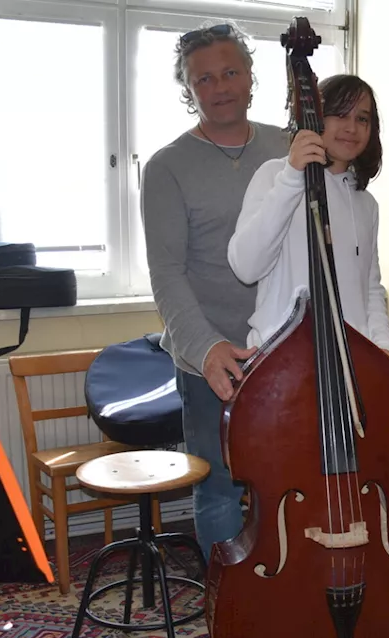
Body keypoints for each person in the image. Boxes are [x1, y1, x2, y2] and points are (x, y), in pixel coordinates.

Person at [143, 22, 289, 561]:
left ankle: (283, 590)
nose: (220, 86)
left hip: (285, 350)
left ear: (251, 77)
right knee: (220, 485)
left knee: (290, 478)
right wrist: (205, 350)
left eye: (230, 72)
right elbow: (167, 273)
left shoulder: (289, 146)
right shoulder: (166, 168)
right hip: (212, 357)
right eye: (204, 79)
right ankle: (227, 609)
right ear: (189, 90)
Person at [228, 74, 389, 372]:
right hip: (280, 365)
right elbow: (246, 266)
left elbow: (370, 289)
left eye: (362, 119)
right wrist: (293, 178)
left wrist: (384, 349)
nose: (351, 127)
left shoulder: (365, 203)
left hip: (350, 366)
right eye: (340, 114)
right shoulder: (274, 176)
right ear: (316, 118)